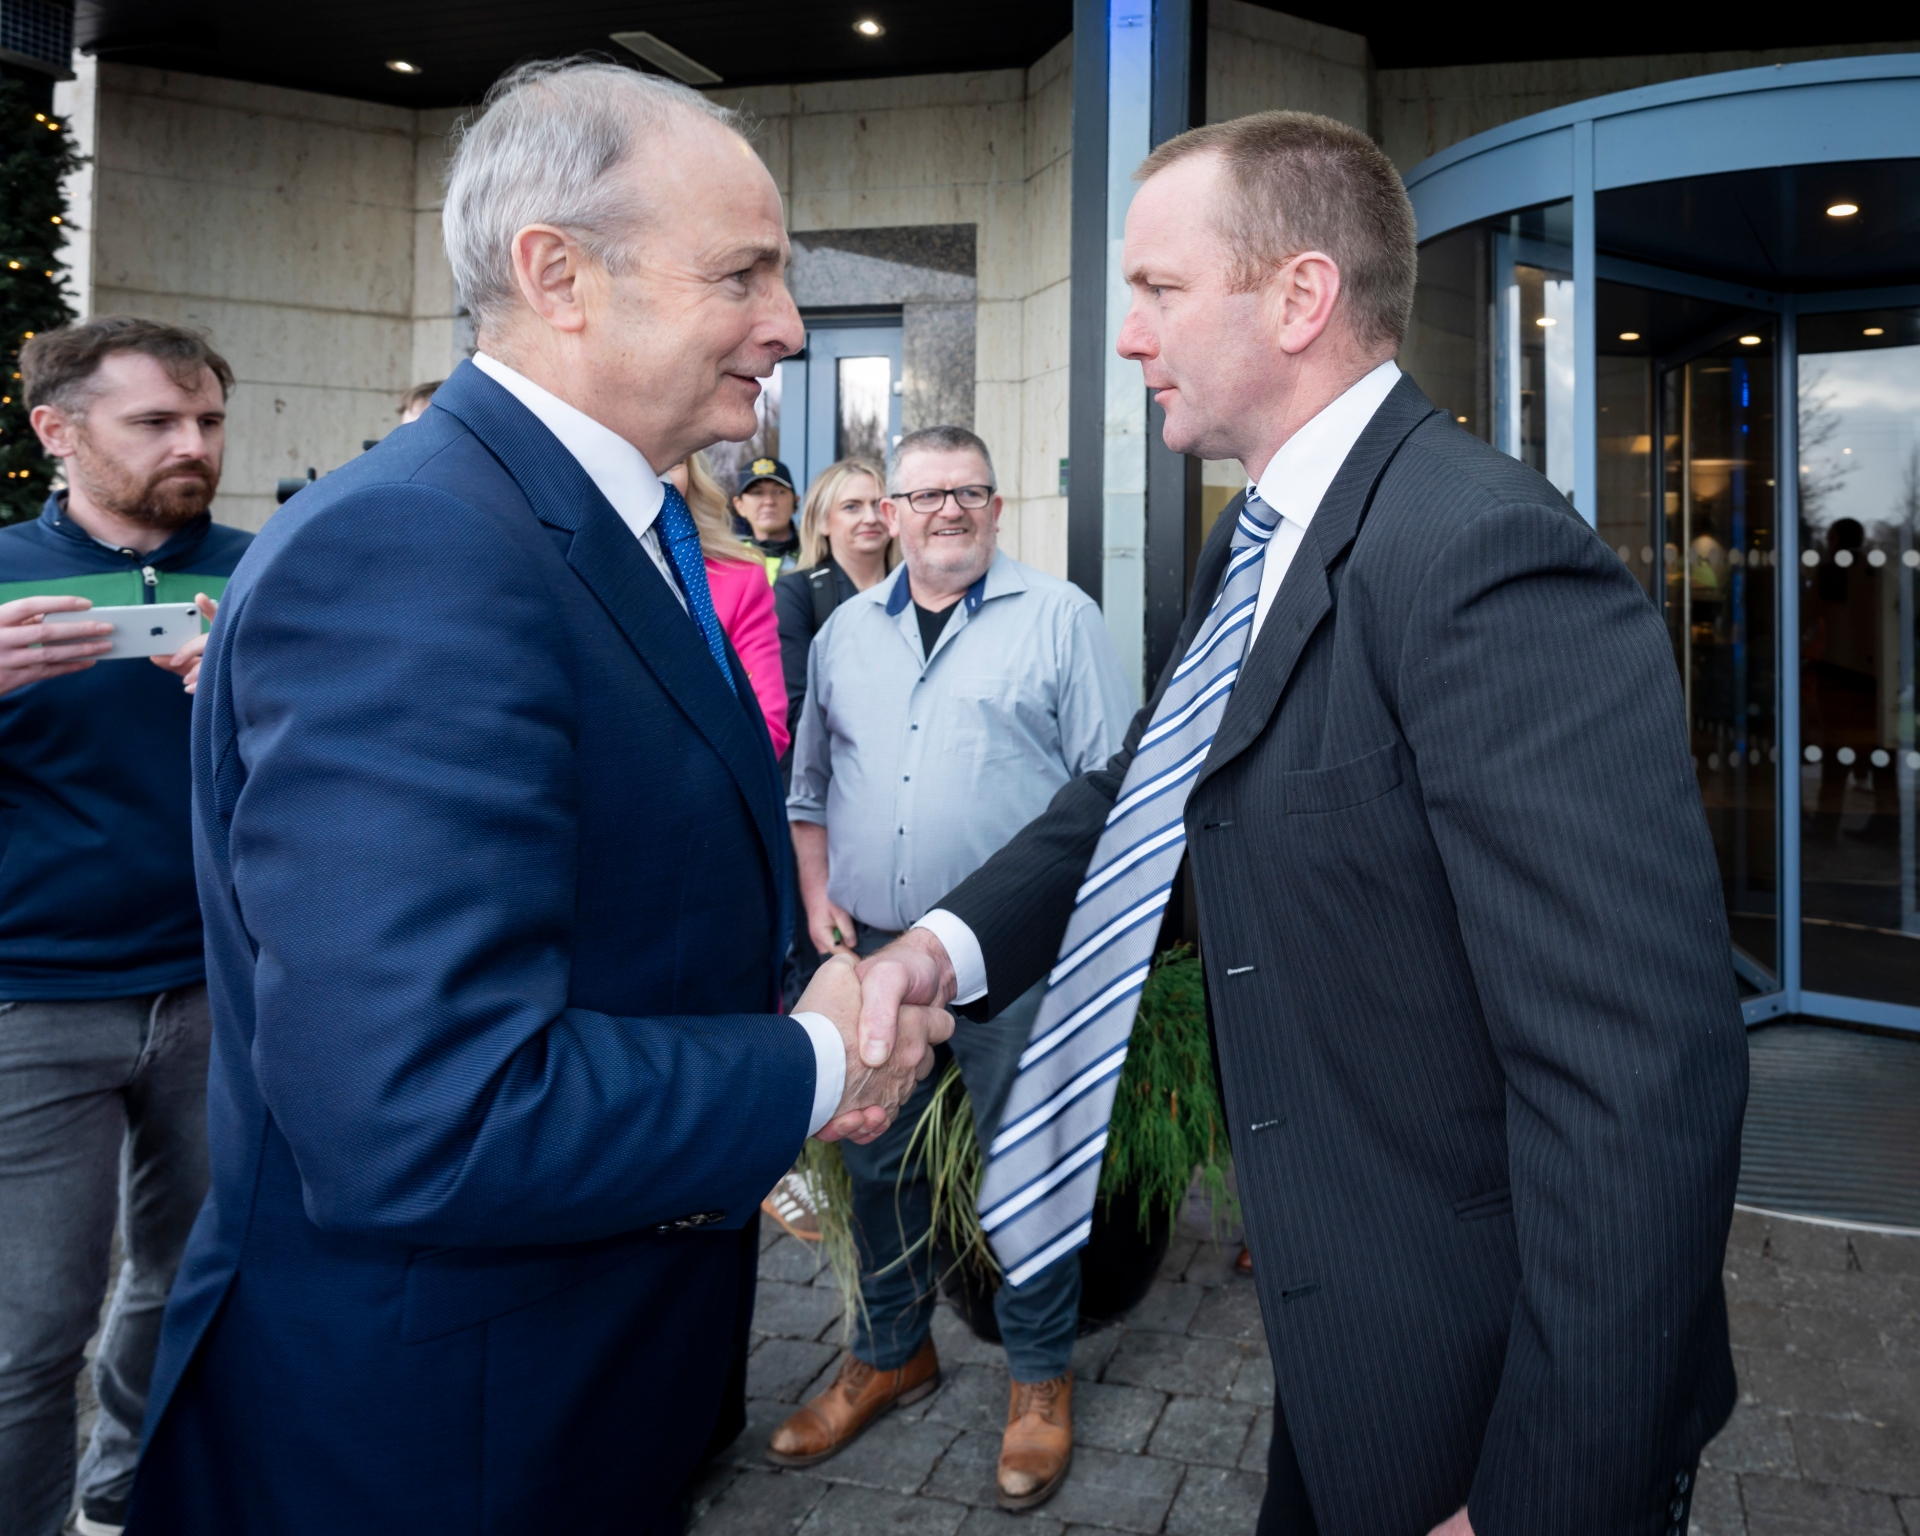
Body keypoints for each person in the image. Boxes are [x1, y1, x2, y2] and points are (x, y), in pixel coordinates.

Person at [856, 111, 1747, 1536]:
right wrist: (938, 951)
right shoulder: (1258, 533)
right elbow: (1144, 790)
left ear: (1299, 297)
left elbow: (1640, 1083)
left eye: (1158, 289)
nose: (1128, 337)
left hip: (1488, 1405)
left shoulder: (1485, 554)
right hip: (1347, 1364)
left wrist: (1544, 1497)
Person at [123, 60, 951, 1536]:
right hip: (436, 1441)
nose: (788, 324)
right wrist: (815, 1065)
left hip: (572, 1384)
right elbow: (427, 1111)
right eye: (743, 274)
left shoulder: (594, 525)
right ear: (556, 274)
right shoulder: (414, 551)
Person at [773, 426, 1132, 1510]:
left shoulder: (1061, 619)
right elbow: (809, 786)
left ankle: (1038, 1376)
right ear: (889, 514)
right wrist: (817, 896)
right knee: (877, 1167)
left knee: (1030, 1167)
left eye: (968, 492)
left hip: (1015, 963)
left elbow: (1110, 797)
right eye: (924, 495)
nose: (948, 512)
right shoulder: (845, 633)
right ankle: (892, 1353)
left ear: (997, 504)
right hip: (877, 954)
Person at [0, 316, 248, 1536]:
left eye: (207, 420)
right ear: (56, 430)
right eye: (155, 421)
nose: (191, 444)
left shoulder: (269, 566)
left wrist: (254, 701)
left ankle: (122, 1504)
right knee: (28, 1328)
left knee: (188, 1279)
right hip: (31, 1003)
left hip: (220, 989)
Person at [666, 451, 787, 755]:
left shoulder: (739, 577)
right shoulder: (561, 564)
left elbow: (766, 728)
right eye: (756, 493)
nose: (653, 471)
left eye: (673, 460)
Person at [773, 455, 892, 762]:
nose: (870, 517)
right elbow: (796, 714)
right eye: (852, 507)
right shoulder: (796, 593)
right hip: (831, 772)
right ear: (823, 521)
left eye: (878, 505)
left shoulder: (917, 590)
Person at [732, 454, 800, 578]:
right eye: (757, 493)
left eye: (779, 492)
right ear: (739, 506)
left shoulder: (817, 555)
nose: (769, 501)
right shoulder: (730, 560)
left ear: (795, 502)